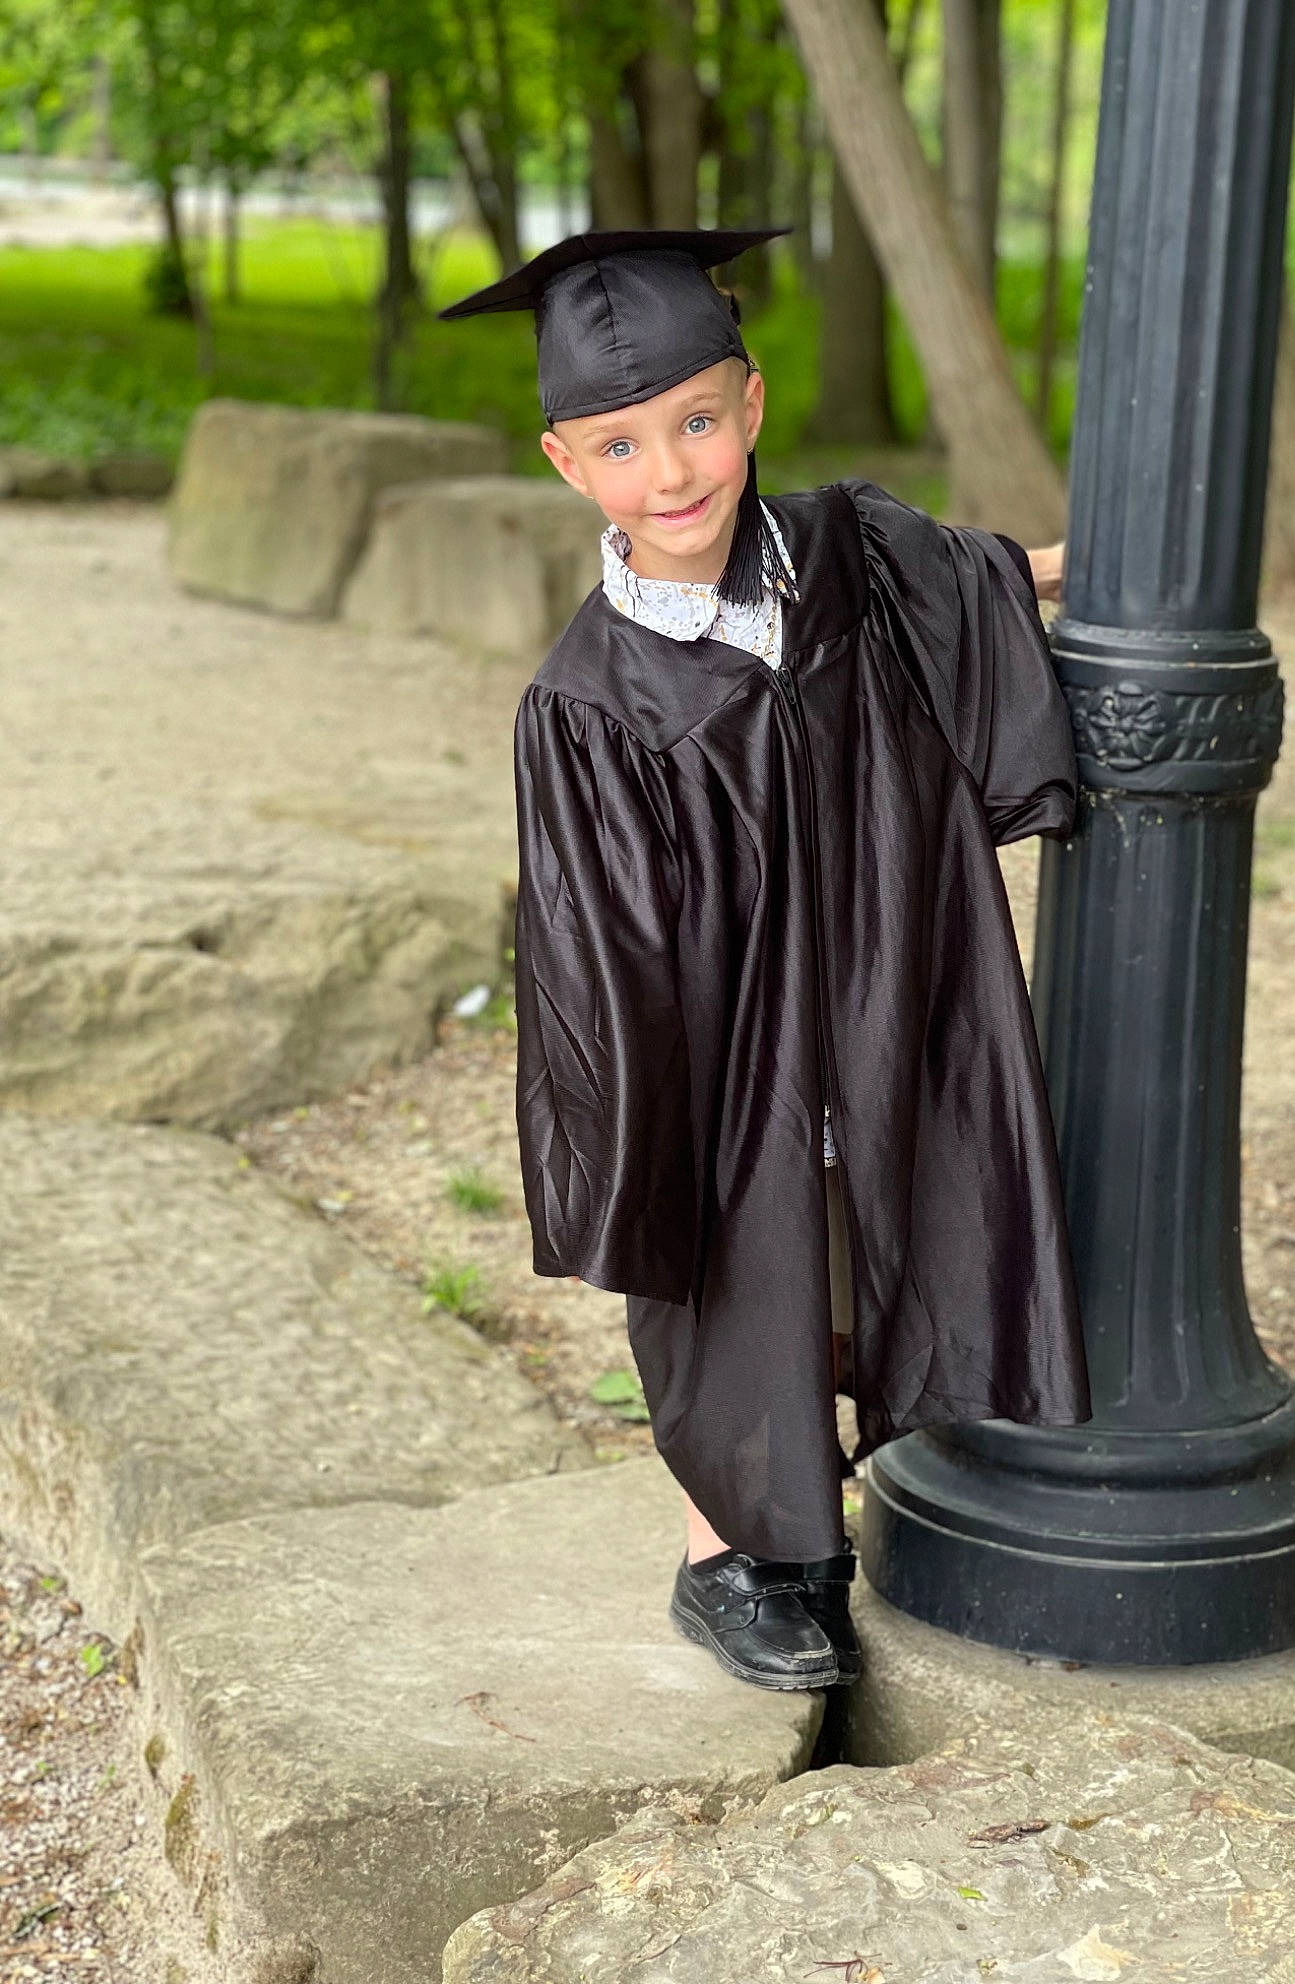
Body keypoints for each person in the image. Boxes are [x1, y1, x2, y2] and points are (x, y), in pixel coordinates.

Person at [440, 227, 1092, 1694]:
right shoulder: (588, 700)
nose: (668, 473)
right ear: (566, 467)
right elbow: (598, 942)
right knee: (734, 1245)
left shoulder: (847, 550)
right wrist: (643, 1120)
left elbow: (986, 579)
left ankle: (844, 1493)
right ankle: (726, 1555)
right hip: (721, 1035)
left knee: (897, 1204)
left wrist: (1123, 570)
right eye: (620, 446)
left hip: (875, 975)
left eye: (693, 422)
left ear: (749, 404)